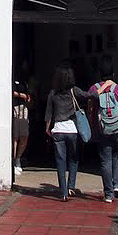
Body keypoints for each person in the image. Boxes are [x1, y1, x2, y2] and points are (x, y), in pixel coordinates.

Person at [43, 65, 93, 201]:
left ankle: (63, 192)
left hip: (58, 130)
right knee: (74, 159)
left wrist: (48, 128)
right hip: (72, 130)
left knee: (60, 162)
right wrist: (102, 88)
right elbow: (88, 95)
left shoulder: (53, 93)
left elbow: (49, 113)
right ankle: (71, 186)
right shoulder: (74, 91)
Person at [91, 61, 118, 202]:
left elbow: (90, 109)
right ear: (113, 74)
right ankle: (117, 185)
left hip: (102, 129)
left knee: (105, 160)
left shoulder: (94, 89)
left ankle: (108, 194)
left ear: (99, 74)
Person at [12, 74, 31, 173]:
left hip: (23, 110)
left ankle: (18, 158)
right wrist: (21, 95)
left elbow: (28, 96)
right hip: (14, 109)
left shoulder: (24, 82)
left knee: (24, 136)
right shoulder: (11, 79)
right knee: (15, 136)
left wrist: (25, 97)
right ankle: (13, 161)